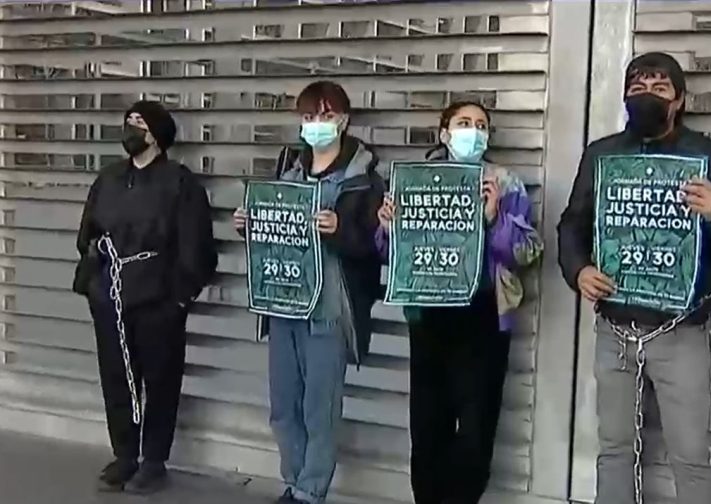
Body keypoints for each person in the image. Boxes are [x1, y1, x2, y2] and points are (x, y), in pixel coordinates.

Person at [557, 52, 711, 504]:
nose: (646, 95)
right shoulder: (601, 154)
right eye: (637, 87)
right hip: (614, 328)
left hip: (681, 331)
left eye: (659, 88)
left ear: (680, 100)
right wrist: (578, 270)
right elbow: (572, 224)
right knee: (613, 451)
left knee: (689, 455)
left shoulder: (710, 156)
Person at [375, 101, 543, 504]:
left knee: (475, 425)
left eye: (481, 125)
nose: (473, 131)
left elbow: (526, 252)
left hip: (483, 314)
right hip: (429, 314)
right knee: (428, 423)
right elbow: (390, 256)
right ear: (444, 133)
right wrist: (385, 229)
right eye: (463, 123)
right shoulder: (414, 181)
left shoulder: (506, 184)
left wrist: (492, 218)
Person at [233, 81, 384, 504]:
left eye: (326, 115)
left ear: (344, 120)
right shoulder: (287, 171)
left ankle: (310, 491)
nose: (317, 125)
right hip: (283, 303)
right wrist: (251, 225)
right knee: (283, 405)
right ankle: (293, 480)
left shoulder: (365, 182)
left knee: (321, 408)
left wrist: (339, 231)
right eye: (309, 117)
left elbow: (374, 248)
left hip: (329, 308)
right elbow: (275, 238)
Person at [73, 101, 218, 494]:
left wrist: (178, 301)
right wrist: (95, 286)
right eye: (128, 121)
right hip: (111, 299)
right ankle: (125, 456)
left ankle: (154, 460)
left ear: (156, 134)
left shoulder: (179, 183)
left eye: (139, 123)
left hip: (158, 301)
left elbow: (197, 249)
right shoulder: (108, 179)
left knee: (159, 381)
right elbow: (86, 236)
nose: (130, 129)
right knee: (116, 379)